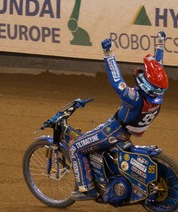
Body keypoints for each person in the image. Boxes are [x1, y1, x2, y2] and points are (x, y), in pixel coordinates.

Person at [70, 31, 169, 201]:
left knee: (76, 147)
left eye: (144, 76)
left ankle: (87, 189)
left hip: (114, 130)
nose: (142, 74)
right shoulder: (157, 96)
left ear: (145, 84)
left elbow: (116, 80)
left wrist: (108, 55)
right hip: (129, 130)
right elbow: (159, 67)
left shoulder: (134, 98)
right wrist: (160, 45)